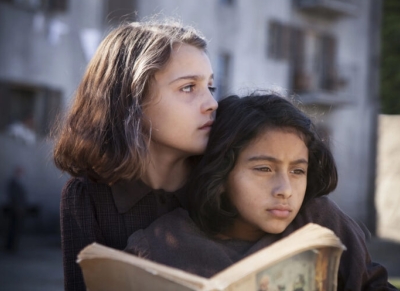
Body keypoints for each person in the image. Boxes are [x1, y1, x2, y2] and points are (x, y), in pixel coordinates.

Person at [125, 93, 396, 290]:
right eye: (264, 169)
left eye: (297, 171)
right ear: (220, 174)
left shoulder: (319, 222)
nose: (285, 190)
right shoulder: (158, 246)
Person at [53, 19, 218, 291]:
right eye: (188, 87)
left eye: (210, 87)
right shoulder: (85, 197)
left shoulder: (226, 179)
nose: (212, 104)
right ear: (132, 99)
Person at [4, 166, 28, 252]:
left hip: (18, 209)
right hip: (14, 210)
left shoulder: (19, 183)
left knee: (16, 229)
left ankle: (13, 246)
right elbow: (13, 197)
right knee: (12, 228)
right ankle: (9, 246)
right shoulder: (13, 183)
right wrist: (17, 207)